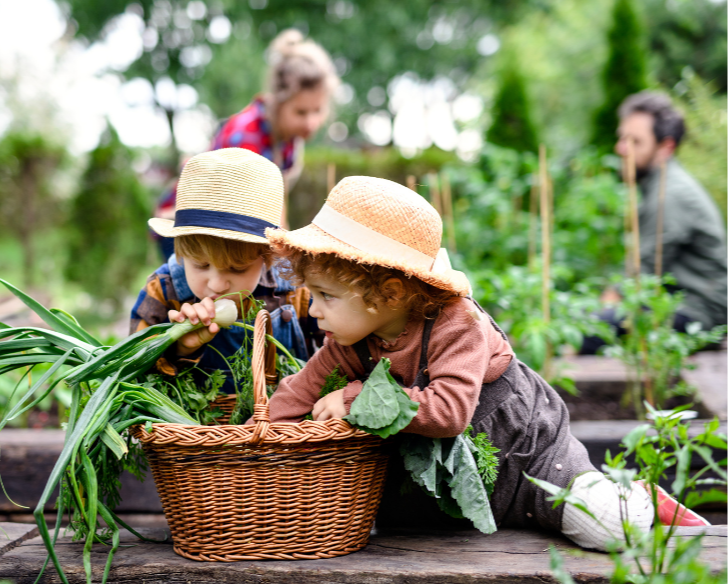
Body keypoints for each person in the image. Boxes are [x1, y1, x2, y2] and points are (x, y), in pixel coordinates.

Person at [263, 176, 707, 551]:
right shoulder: (348, 337)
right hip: (448, 482)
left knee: (607, 528)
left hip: (527, 457)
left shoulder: (459, 323)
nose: (313, 310)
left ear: (391, 294)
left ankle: (636, 497)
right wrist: (259, 446)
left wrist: (357, 396)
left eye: (326, 297)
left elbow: (451, 412)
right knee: (406, 538)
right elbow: (298, 391)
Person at [130, 148, 318, 392]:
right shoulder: (163, 292)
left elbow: (340, 353)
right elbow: (133, 375)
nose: (217, 285)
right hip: (195, 430)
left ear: (267, 257)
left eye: (237, 269)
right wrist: (180, 346)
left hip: (283, 428)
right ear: (181, 252)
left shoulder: (295, 289)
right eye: (201, 265)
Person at [152, 28, 338, 259]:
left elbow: (277, 200)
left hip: (232, 227)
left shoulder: (288, 140)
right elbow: (242, 210)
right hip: (187, 225)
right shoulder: (245, 135)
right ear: (279, 102)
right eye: (300, 112)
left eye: (317, 111)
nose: (311, 122)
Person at [581, 91, 728, 354]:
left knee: (587, 333)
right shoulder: (661, 183)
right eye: (621, 138)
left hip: (699, 314)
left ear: (666, 147)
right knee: (585, 318)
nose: (621, 149)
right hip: (678, 303)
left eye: (635, 141)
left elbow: (641, 274)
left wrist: (595, 317)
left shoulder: (670, 195)